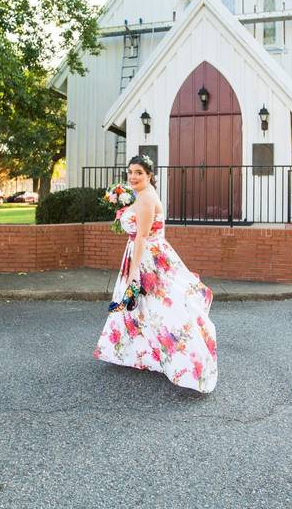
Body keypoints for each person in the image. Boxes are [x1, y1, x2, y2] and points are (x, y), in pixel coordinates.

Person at [93, 154, 218, 393]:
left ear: (150, 175)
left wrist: (133, 274)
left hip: (147, 260)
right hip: (142, 254)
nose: (133, 176)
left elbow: (141, 237)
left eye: (139, 172)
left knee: (160, 308)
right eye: (130, 172)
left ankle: (186, 359)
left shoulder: (147, 198)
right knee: (144, 308)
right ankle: (139, 353)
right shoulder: (141, 196)